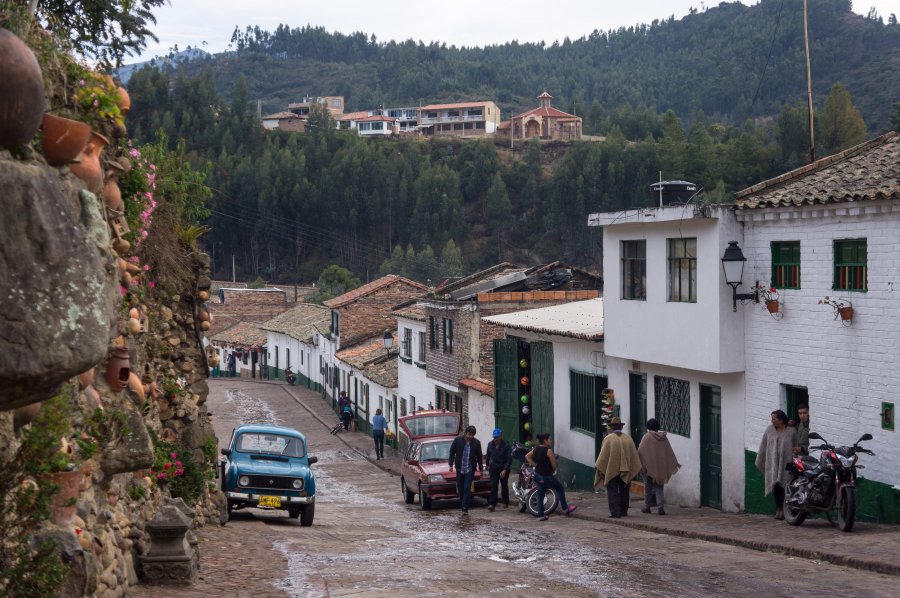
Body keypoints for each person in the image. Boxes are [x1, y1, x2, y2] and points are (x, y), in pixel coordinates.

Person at [594, 417, 641, 518]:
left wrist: (600, 469)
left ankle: (615, 512)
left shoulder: (608, 439)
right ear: (621, 427)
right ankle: (624, 511)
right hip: (626, 469)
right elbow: (634, 456)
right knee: (625, 489)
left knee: (612, 490)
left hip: (611, 469)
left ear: (612, 427)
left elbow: (603, 456)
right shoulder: (628, 439)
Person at [755, 409, 797, 520]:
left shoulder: (791, 431)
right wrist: (762, 460)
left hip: (787, 464)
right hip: (774, 463)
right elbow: (763, 446)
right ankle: (778, 508)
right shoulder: (769, 430)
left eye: (774, 419)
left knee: (787, 485)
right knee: (776, 486)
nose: (772, 421)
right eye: (772, 419)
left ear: (781, 420)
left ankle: (786, 508)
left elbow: (796, 446)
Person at [525, 433, 577, 521]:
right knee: (560, 488)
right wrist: (552, 470)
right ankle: (565, 508)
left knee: (540, 495)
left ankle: (541, 515)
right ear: (545, 440)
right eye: (549, 439)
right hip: (546, 476)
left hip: (537, 476)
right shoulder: (548, 451)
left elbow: (527, 456)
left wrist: (535, 465)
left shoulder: (536, 449)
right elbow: (554, 465)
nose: (551, 441)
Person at [637, 418, 681, 515]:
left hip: (648, 468)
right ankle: (660, 507)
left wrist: (643, 465)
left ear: (648, 427)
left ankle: (647, 507)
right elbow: (668, 453)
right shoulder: (664, 438)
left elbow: (640, 451)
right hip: (660, 468)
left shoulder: (646, 437)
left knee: (648, 488)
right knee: (659, 488)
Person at [448, 425, 484, 514]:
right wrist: (450, 464)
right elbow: (452, 452)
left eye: (472, 435)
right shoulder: (458, 440)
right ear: (465, 433)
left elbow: (479, 456)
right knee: (461, 488)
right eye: (469, 434)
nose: (470, 437)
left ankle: (465, 507)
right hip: (460, 468)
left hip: (470, 469)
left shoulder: (476, 443)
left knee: (467, 488)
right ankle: (463, 502)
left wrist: (481, 468)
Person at [485, 428, 512, 511]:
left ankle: (505, 501)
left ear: (501, 436)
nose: (496, 439)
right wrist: (487, 465)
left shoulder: (506, 445)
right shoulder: (490, 444)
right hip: (493, 468)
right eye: (494, 437)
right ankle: (492, 504)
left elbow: (509, 459)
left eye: (497, 437)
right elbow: (488, 455)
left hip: (503, 467)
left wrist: (505, 469)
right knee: (494, 486)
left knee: (504, 485)